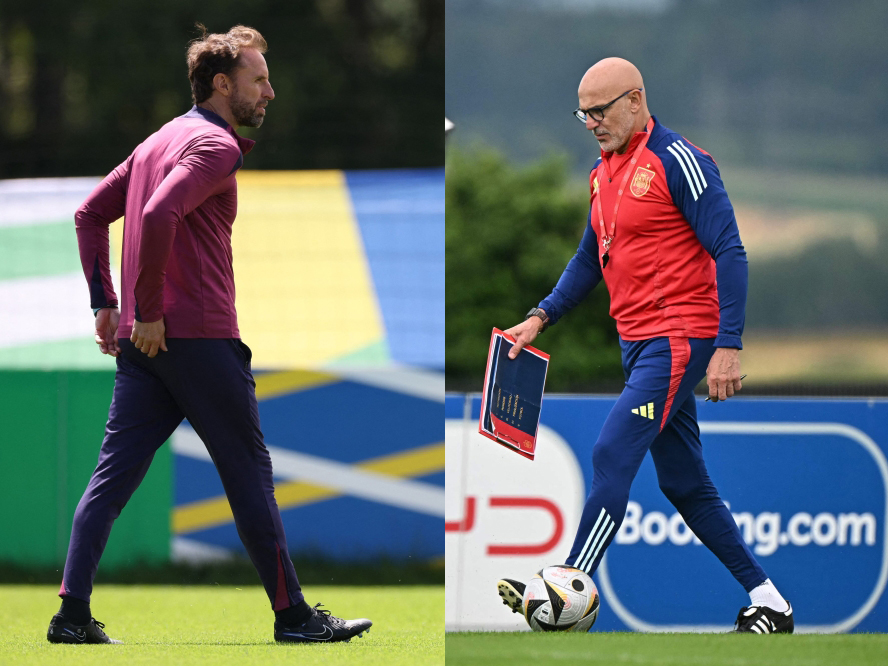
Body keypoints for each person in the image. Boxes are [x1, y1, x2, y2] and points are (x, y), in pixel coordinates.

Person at [47, 25, 371, 645]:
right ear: (223, 84)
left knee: (110, 480)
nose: (270, 92)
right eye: (259, 79)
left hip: (146, 350)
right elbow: (156, 213)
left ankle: (71, 616)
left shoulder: (158, 140)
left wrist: (107, 307)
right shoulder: (215, 146)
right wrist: (148, 309)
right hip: (195, 338)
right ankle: (295, 619)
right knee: (249, 475)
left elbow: (91, 213)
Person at [495, 58, 793, 634]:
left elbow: (730, 250)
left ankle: (566, 589)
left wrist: (728, 345)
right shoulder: (601, 173)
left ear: (636, 100)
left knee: (611, 451)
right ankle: (770, 601)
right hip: (640, 344)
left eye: (599, 110)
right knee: (684, 484)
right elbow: (589, 258)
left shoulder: (679, 160)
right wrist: (538, 318)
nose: (590, 122)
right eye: (582, 112)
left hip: (680, 336)